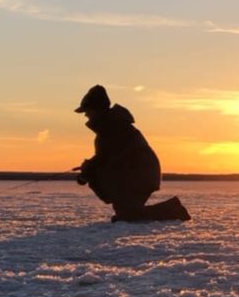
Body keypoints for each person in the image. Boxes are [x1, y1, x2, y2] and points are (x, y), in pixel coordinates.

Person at [75, 85, 190, 222]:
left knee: (129, 216)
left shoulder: (114, 127)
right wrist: (88, 169)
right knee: (127, 214)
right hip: (135, 175)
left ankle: (173, 210)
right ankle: (168, 209)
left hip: (139, 176)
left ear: (96, 110)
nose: (86, 115)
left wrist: (88, 170)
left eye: (87, 111)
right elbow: (106, 157)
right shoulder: (111, 127)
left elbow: (109, 158)